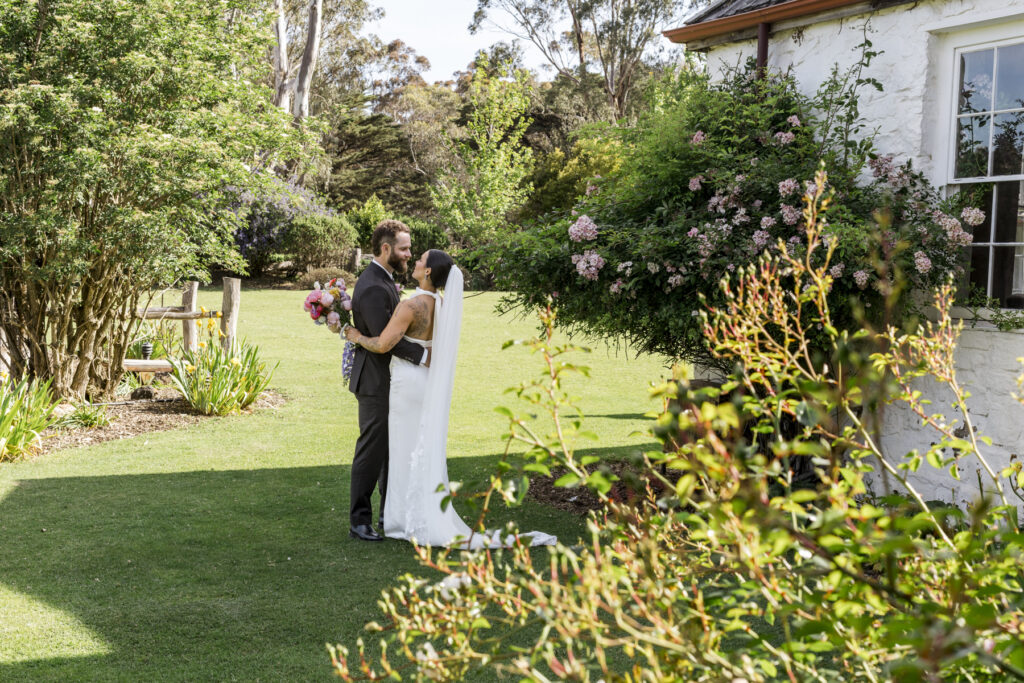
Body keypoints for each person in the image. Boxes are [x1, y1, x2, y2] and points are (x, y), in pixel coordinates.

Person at [345, 250, 556, 548]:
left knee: (403, 449)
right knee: (415, 447)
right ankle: (406, 515)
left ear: (428, 271)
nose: (415, 262)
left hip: (406, 385)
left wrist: (353, 335)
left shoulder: (410, 306)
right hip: (424, 382)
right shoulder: (441, 305)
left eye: (421, 260)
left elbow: (382, 344)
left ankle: (402, 518)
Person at [339, 220, 430, 543]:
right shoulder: (375, 286)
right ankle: (360, 521)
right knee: (372, 451)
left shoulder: (383, 279)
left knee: (390, 451)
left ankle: (389, 514)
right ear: (386, 248)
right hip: (374, 381)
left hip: (387, 378)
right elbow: (385, 340)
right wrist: (424, 355)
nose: (409, 254)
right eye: (404, 249)